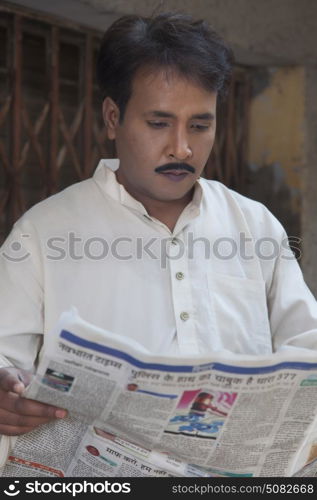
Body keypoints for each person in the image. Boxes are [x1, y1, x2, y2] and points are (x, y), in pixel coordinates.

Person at [0, 12, 316, 467]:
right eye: (159, 123)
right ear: (113, 117)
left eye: (200, 126)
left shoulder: (255, 226)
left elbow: (307, 348)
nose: (182, 148)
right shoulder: (42, 233)